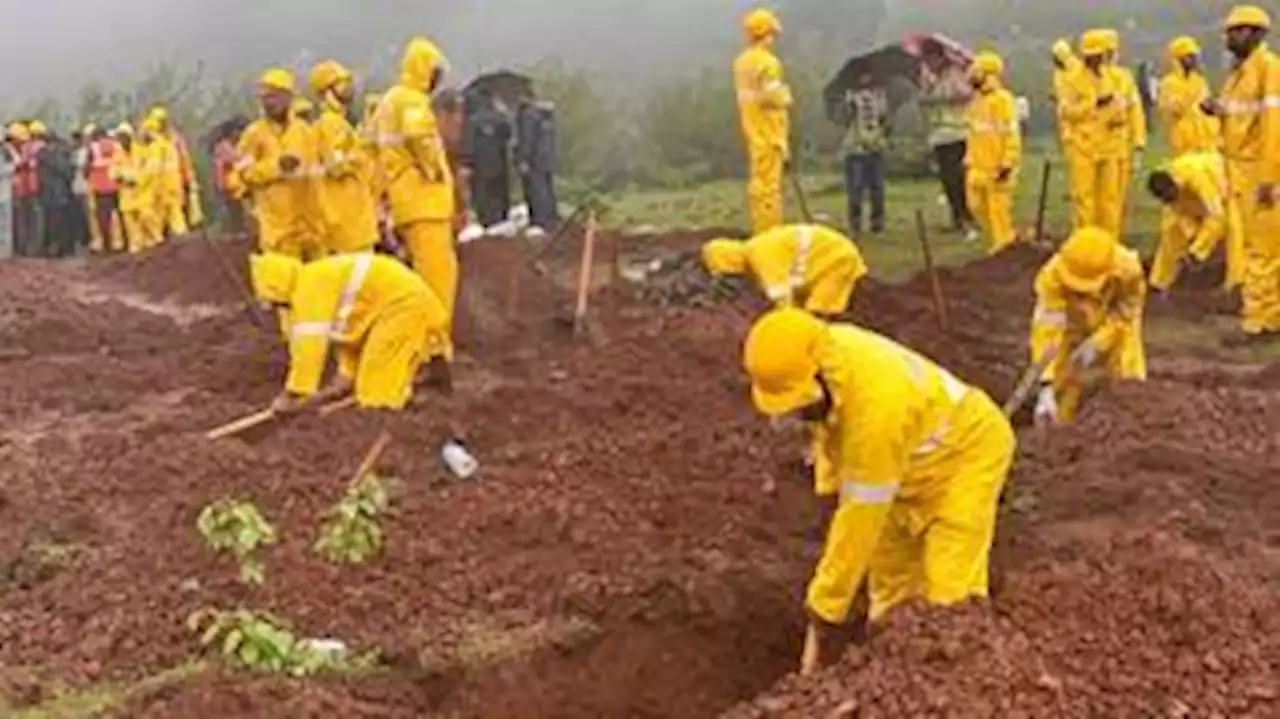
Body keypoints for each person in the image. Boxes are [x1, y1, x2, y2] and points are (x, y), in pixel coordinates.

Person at [741, 307, 1015, 652]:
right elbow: (834, 430)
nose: (798, 416)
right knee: (890, 586)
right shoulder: (831, 359)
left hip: (966, 453)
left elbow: (862, 512)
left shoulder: (876, 407)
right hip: (905, 463)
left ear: (818, 376)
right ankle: (889, 666)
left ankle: (962, 676)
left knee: (950, 592)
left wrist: (828, 602)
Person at [248, 251, 450, 414]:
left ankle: (390, 423)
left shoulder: (308, 291)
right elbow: (351, 330)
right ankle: (410, 406)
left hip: (404, 307)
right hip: (399, 306)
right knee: (374, 383)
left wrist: (293, 394)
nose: (279, 308)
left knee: (377, 389)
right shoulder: (315, 280)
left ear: (277, 288)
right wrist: (345, 376)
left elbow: (309, 350)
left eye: (275, 303)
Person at [370, 37, 458, 378]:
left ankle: (425, 348)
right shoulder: (412, 102)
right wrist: (435, 170)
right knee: (438, 280)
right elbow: (421, 139)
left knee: (422, 277)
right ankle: (433, 351)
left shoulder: (389, 100)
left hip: (406, 203)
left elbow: (373, 150)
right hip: (425, 202)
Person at [1202, 5, 1280, 343]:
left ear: (1255, 33)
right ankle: (1266, 314)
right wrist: (1217, 111)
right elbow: (1241, 119)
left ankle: (1259, 322)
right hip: (1241, 170)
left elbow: (1274, 129)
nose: (1229, 37)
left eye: (1236, 31)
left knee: (1262, 248)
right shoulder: (1240, 72)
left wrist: (1269, 178)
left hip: (1260, 172)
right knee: (1254, 245)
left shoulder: (1268, 69)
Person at [1031, 227, 1147, 426]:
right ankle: (1058, 428)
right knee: (1063, 384)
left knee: (1127, 375)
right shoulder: (1052, 278)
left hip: (1114, 325)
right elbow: (1047, 331)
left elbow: (1128, 313)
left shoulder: (1128, 269)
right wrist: (1046, 385)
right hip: (1071, 326)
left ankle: (1133, 425)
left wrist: (1099, 342)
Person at [234, 68, 324, 260]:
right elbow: (243, 173)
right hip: (276, 228)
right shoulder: (254, 134)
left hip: (308, 226)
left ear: (288, 97)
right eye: (265, 98)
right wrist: (276, 167)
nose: (269, 103)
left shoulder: (304, 132)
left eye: (274, 96)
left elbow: (316, 177)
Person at [701, 224, 868, 320]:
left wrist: (783, 324)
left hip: (837, 259)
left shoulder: (761, 255)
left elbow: (782, 298)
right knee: (808, 309)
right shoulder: (757, 249)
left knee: (817, 312)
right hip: (827, 258)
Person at [307, 60, 378, 255]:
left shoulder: (340, 123)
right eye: (341, 84)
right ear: (326, 91)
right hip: (346, 221)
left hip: (353, 219)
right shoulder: (331, 124)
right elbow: (336, 165)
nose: (348, 90)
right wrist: (361, 153)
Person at [1146, 153, 1243, 294]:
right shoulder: (1167, 184)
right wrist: (1191, 236)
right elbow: (1179, 214)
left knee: (1233, 229)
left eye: (1171, 197)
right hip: (1192, 197)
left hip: (1225, 189)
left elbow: (1217, 215)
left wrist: (1197, 250)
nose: (1170, 201)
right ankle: (1159, 283)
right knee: (1170, 228)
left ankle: (1236, 283)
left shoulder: (1197, 176)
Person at [734, 7, 792, 234]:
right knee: (770, 186)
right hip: (771, 131)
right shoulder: (768, 63)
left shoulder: (741, 62)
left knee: (758, 182)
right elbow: (774, 96)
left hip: (752, 128)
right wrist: (787, 95)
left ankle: (760, 227)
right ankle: (770, 230)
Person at [1062, 31, 1122, 235]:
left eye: (1101, 54)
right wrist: (1094, 104)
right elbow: (1067, 112)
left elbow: (1119, 107)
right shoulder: (1072, 80)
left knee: (1110, 197)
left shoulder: (1110, 77)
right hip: (1083, 147)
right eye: (1093, 55)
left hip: (1108, 145)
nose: (1098, 59)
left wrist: (1116, 118)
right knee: (1084, 197)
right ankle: (1084, 241)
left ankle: (1109, 240)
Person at [964, 51, 1021, 255]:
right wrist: (969, 158)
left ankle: (1003, 246)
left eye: (977, 71)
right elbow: (974, 132)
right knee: (975, 205)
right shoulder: (975, 102)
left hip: (997, 167)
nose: (971, 75)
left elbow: (1012, 134)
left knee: (999, 212)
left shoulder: (1004, 101)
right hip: (977, 165)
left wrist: (1008, 163)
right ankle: (1003, 240)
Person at [918, 37, 975, 237]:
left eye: (931, 58)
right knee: (948, 180)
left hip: (960, 132)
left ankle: (968, 215)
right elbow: (922, 100)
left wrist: (945, 95)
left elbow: (967, 92)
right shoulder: (927, 77)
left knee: (960, 178)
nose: (929, 64)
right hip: (938, 135)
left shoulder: (956, 72)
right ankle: (957, 216)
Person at [1099, 29, 1147, 238]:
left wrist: (1138, 144)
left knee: (1116, 197)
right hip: (1096, 146)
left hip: (1121, 145)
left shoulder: (1125, 77)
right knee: (1095, 197)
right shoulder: (1090, 77)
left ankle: (1112, 237)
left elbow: (1135, 110)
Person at [840, 73, 888, 235]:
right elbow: (843, 119)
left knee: (877, 189)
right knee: (856, 189)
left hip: (874, 147)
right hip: (855, 149)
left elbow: (884, 119)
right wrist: (849, 106)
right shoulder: (850, 97)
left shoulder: (880, 96)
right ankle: (855, 224)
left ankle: (877, 223)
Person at [1158, 37, 1218, 158]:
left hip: (1205, 139)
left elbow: (1207, 107)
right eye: (1190, 56)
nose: (1195, 60)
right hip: (1183, 141)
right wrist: (1190, 95)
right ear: (1179, 59)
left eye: (1195, 56)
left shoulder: (1200, 81)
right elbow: (1172, 110)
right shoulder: (1168, 83)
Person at [110, 123, 161, 254]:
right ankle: (136, 245)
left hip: (141, 190)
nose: (121, 140)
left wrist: (137, 179)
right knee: (129, 220)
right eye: (119, 137)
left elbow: (149, 170)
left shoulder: (141, 150)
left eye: (123, 137)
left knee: (146, 216)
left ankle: (156, 239)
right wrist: (120, 176)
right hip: (126, 192)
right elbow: (112, 171)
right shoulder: (117, 153)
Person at [464, 92, 513, 229]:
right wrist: (504, 114)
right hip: (499, 162)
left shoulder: (472, 120)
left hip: (480, 164)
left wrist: (467, 162)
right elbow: (508, 135)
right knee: (498, 191)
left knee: (483, 194)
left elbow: (470, 143)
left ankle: (487, 221)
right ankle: (501, 218)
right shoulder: (499, 118)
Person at [515, 97, 559, 237]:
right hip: (547, 158)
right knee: (547, 190)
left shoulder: (528, 115)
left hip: (535, 160)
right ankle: (551, 219)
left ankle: (540, 222)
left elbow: (527, 139)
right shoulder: (545, 116)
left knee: (537, 191)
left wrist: (523, 159)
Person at [143, 114, 187, 241]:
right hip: (174, 181)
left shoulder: (156, 146)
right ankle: (180, 234)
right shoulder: (168, 143)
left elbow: (153, 168)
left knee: (159, 211)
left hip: (162, 184)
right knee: (174, 210)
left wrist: (143, 181)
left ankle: (159, 238)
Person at [36, 128, 76, 257]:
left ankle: (51, 247)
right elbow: (66, 171)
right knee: (60, 221)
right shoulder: (58, 153)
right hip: (59, 191)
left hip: (47, 191)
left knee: (49, 221)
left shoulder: (41, 153)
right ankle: (60, 247)